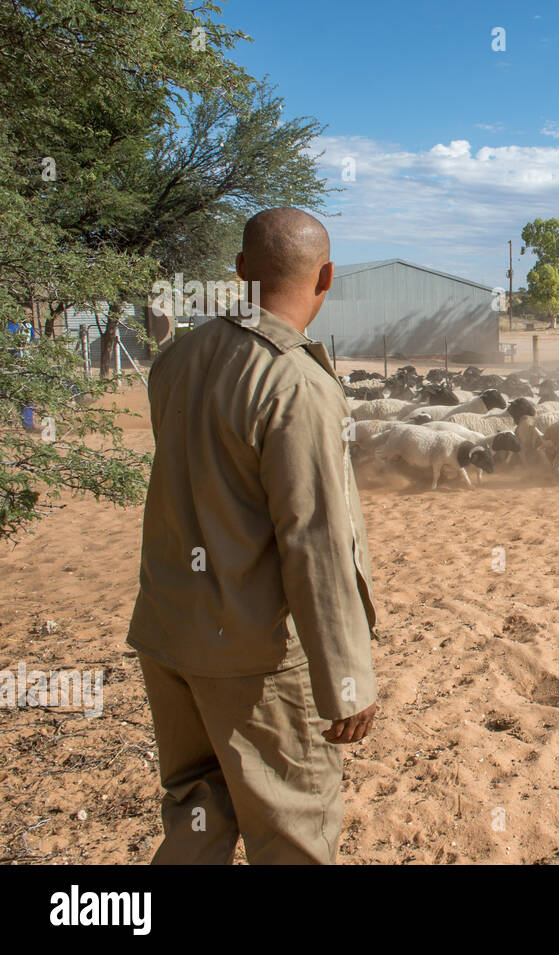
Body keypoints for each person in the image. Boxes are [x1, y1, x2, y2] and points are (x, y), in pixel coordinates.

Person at [128, 208, 378, 864]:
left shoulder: (177, 360)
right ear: (326, 277)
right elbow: (315, 540)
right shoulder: (295, 381)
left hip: (170, 636)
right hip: (252, 658)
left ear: (239, 272)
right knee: (294, 825)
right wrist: (345, 677)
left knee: (199, 812)